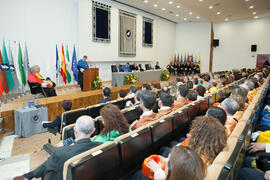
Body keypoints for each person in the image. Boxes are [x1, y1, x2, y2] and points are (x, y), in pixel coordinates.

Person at [14, 116, 101, 180]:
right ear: (93, 130)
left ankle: (29, 176)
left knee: (49, 170)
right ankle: (29, 175)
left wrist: (62, 149)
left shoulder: (60, 152)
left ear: (75, 130)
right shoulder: (100, 145)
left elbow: (47, 166)